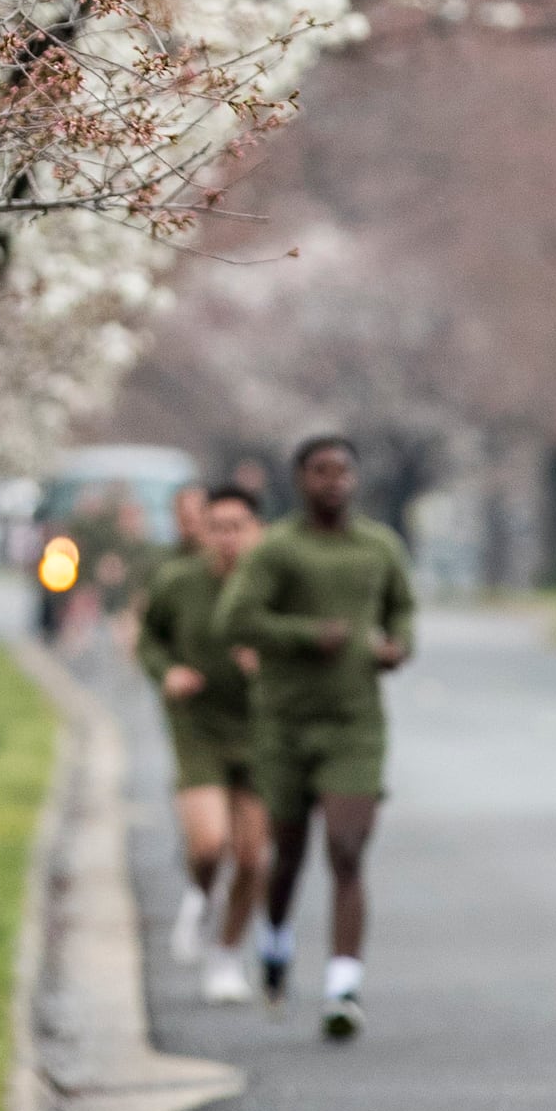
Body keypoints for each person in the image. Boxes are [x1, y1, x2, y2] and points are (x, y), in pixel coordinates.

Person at [215, 435, 414, 1038]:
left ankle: (343, 986)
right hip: (285, 723)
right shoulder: (277, 549)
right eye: (321, 471)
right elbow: (235, 620)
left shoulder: (379, 546)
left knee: (348, 851)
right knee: (289, 857)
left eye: (343, 471)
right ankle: (275, 941)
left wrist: (396, 645)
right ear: (300, 479)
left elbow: (401, 609)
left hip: (355, 723)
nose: (334, 482)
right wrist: (306, 636)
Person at [135, 484, 272, 1003]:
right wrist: (167, 672)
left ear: (258, 531)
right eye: (218, 527)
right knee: (209, 843)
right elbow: (150, 638)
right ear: (202, 530)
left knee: (254, 859)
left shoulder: (273, 588)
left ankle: (227, 954)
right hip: (198, 726)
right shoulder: (178, 582)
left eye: (239, 527)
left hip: (261, 731)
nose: (228, 538)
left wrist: (269, 664)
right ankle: (200, 888)